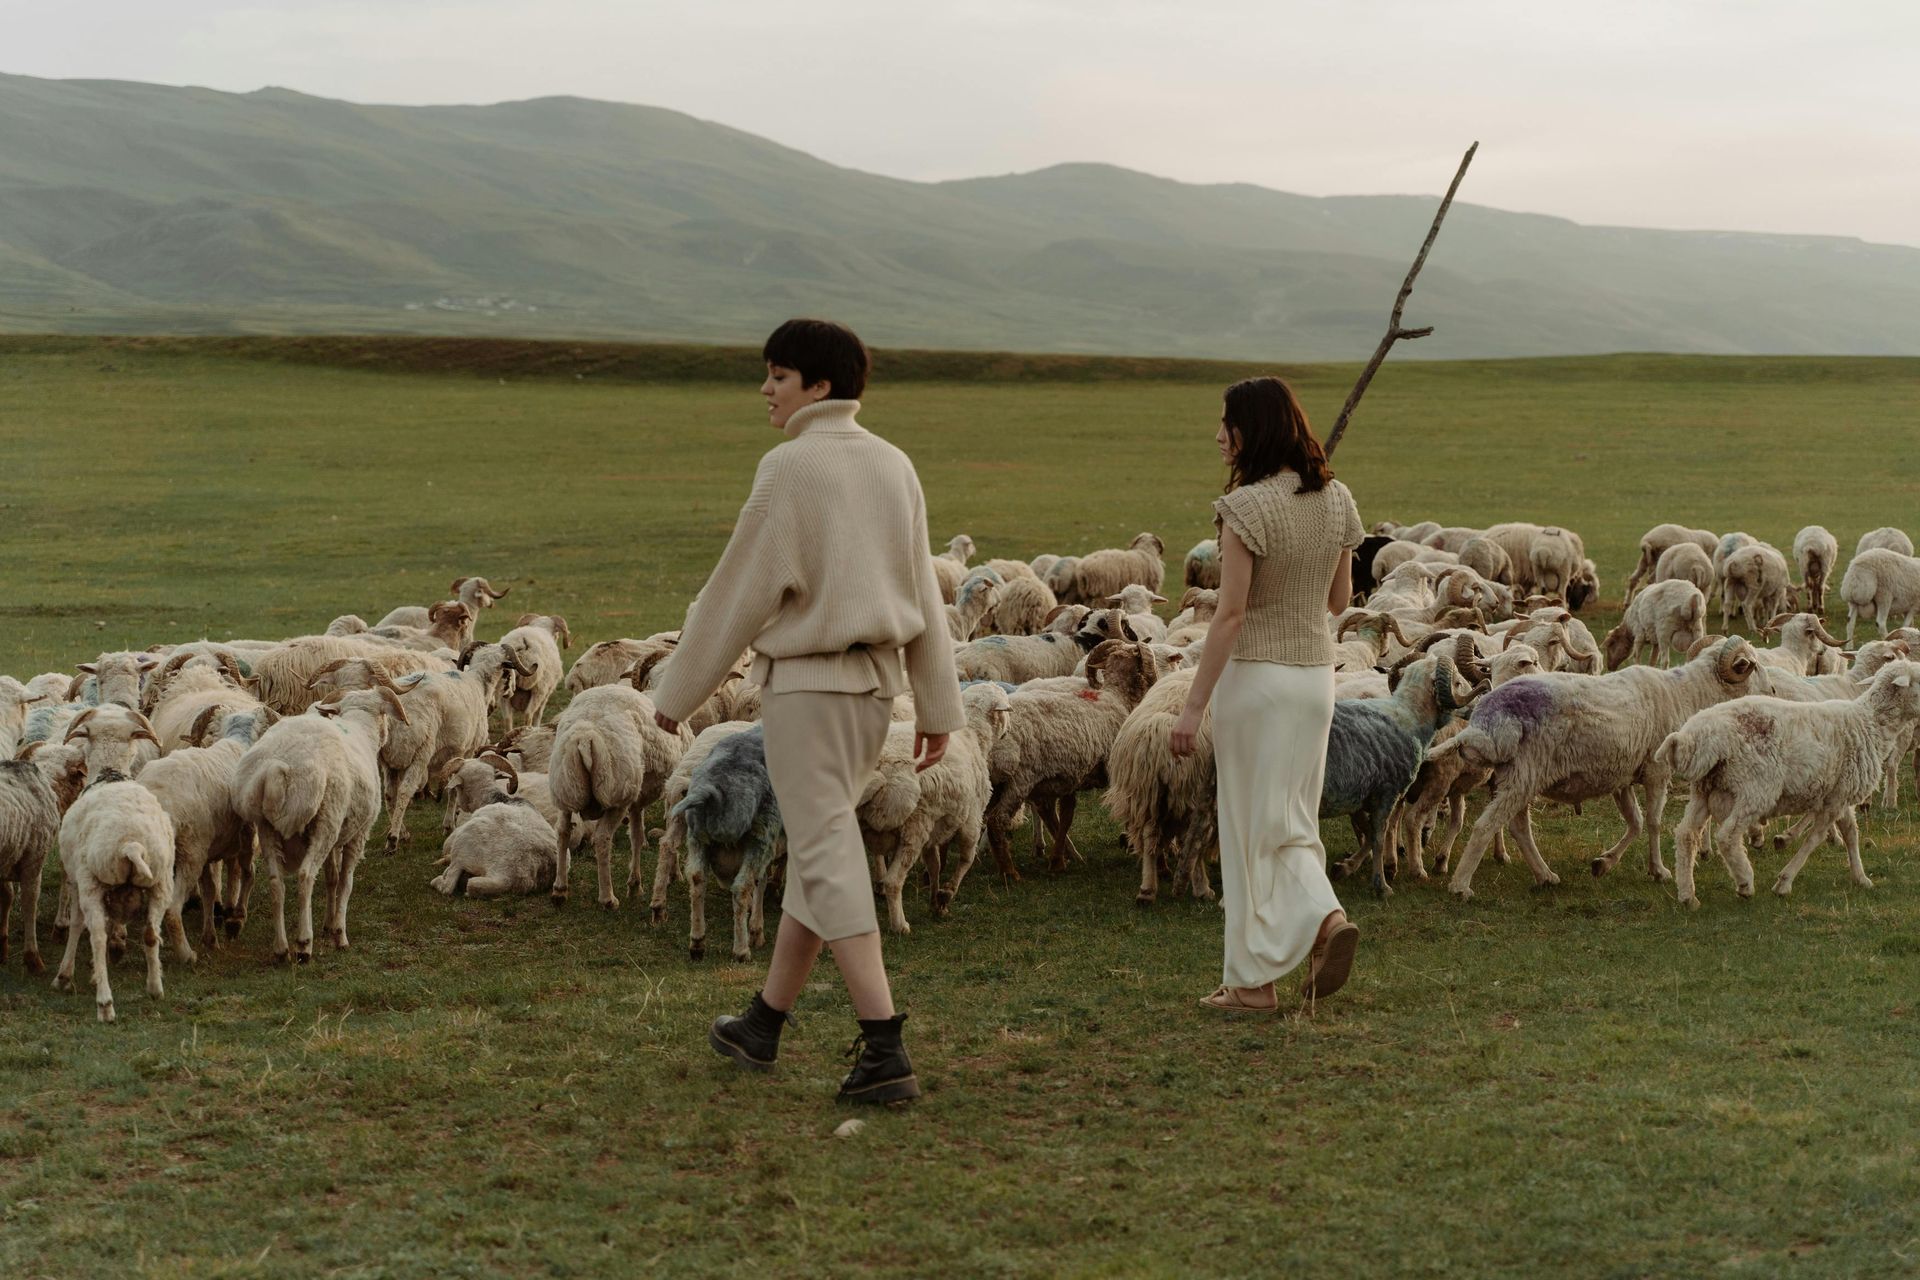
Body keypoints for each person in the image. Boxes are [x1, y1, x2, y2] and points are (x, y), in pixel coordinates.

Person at [648, 317, 962, 1104]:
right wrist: (936, 704)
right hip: (872, 693)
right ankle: (764, 1022)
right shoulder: (894, 464)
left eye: (779, 375)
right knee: (823, 847)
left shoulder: (790, 468)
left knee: (824, 850)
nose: (766, 389)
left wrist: (675, 693)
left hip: (809, 690)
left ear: (819, 386)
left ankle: (884, 1045)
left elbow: (737, 591)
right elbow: (924, 593)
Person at [1169, 376, 1366, 1013]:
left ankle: (1271, 968)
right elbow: (1340, 602)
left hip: (1256, 679)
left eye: (1228, 423)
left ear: (1255, 427)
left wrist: (1192, 706)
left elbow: (1229, 615)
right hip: (1315, 680)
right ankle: (1268, 963)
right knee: (1291, 819)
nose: (1219, 436)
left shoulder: (1245, 509)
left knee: (1251, 828)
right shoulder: (1337, 499)